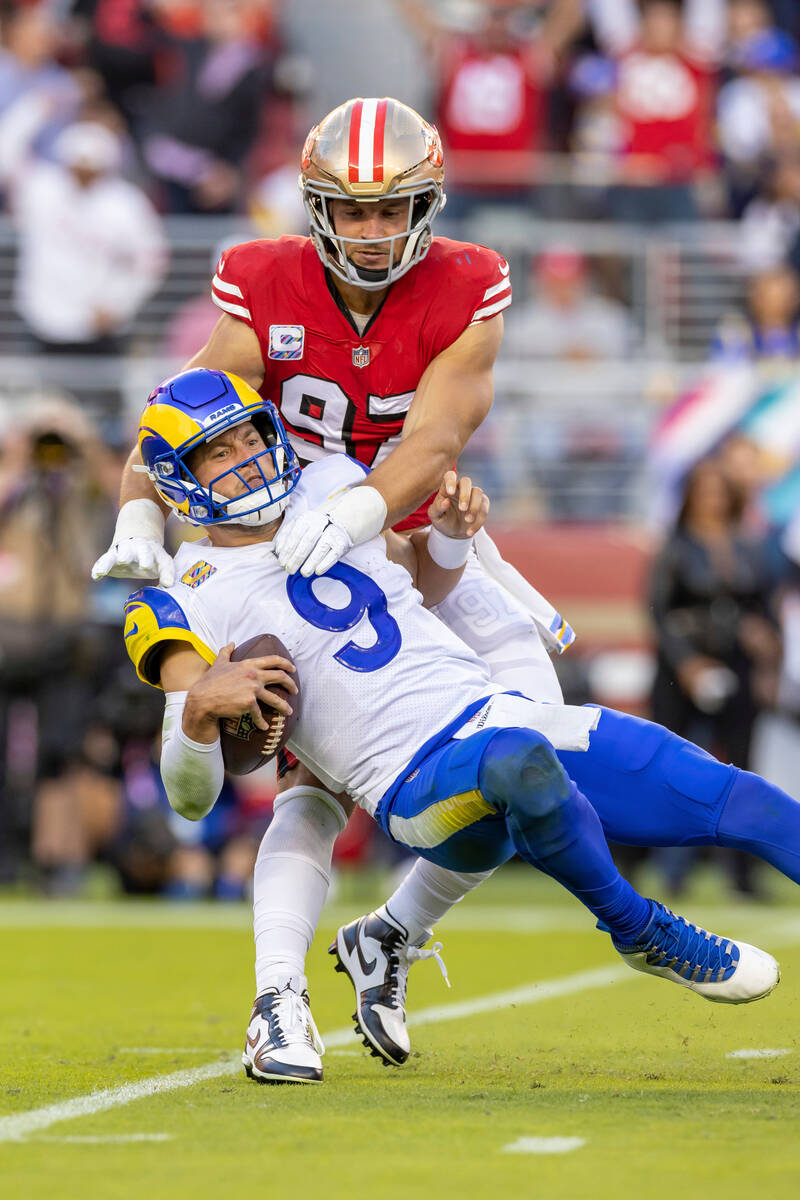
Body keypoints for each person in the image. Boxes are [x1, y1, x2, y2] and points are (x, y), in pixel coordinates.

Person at [124, 368, 797, 1086]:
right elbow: (190, 795)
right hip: (413, 781)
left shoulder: (329, 492)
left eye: (250, 436)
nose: (248, 456)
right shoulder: (177, 598)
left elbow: (416, 582)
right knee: (520, 764)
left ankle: (407, 934)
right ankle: (641, 930)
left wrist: (447, 537)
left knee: (739, 799)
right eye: (218, 452)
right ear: (177, 478)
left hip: (494, 710)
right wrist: (197, 711)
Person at [94, 97, 579, 1079]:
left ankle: (388, 935)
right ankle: (278, 1000)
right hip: (291, 551)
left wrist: (359, 510)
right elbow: (177, 412)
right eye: (348, 210)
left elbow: (434, 439)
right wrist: (139, 515)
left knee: (538, 756)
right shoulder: (263, 277)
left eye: (389, 209)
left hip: (417, 534)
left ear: (425, 206)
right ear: (315, 206)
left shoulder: (467, 285)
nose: (369, 231)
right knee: (310, 792)